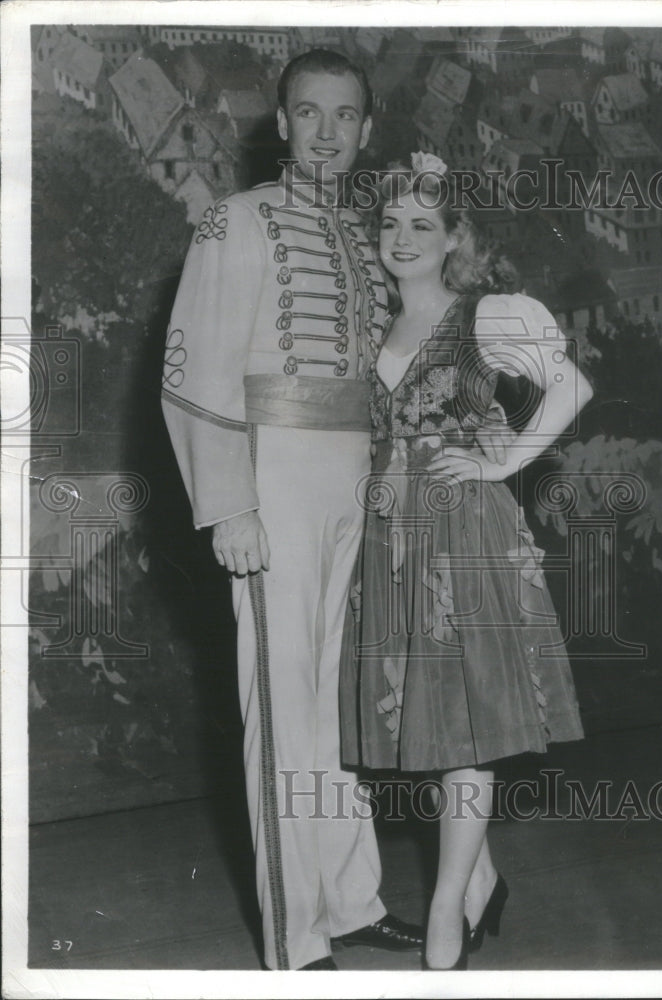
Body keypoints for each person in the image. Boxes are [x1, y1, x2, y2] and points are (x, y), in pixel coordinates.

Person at [161, 50, 426, 971]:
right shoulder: (232, 223)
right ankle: (294, 935)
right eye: (308, 113)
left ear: (365, 128)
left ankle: (350, 901)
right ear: (281, 123)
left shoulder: (368, 236)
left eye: (344, 116)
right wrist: (226, 502)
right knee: (279, 708)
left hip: (354, 483)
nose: (326, 132)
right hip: (271, 479)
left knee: (340, 709)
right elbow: (195, 372)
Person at [339, 155, 593, 970]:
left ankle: (447, 905)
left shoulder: (486, 316)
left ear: (453, 238)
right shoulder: (374, 324)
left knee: (463, 731)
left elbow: (571, 389)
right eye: (389, 225)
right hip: (390, 539)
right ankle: (480, 877)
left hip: (464, 535)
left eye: (422, 224)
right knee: (427, 718)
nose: (401, 238)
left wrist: (499, 462)